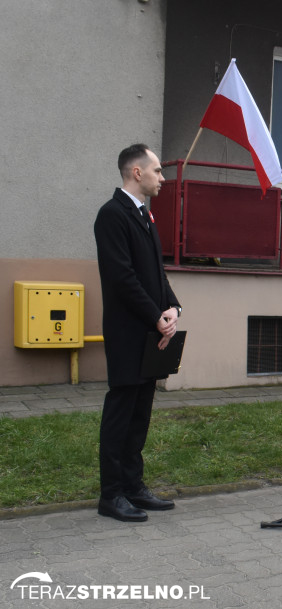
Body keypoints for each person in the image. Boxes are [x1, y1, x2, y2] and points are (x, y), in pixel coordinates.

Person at [94, 143, 181, 523]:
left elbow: (155, 274)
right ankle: (111, 495)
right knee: (121, 413)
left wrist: (173, 309)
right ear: (137, 173)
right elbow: (122, 277)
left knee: (140, 415)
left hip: (150, 333)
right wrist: (154, 316)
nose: (163, 177)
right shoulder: (112, 215)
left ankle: (134, 487)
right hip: (128, 332)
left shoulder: (145, 216)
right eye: (158, 170)